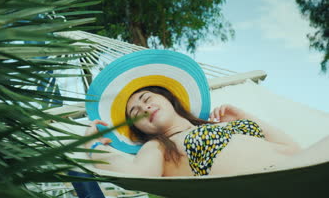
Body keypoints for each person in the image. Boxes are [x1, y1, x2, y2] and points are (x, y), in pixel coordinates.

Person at [83, 50, 329, 177]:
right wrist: (93, 146)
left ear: (168, 98)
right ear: (139, 130)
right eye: (135, 112)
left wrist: (245, 117)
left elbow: (293, 148)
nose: (144, 108)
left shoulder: (215, 125)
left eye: (147, 99)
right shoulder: (158, 147)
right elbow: (137, 173)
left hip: (301, 168)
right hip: (271, 181)